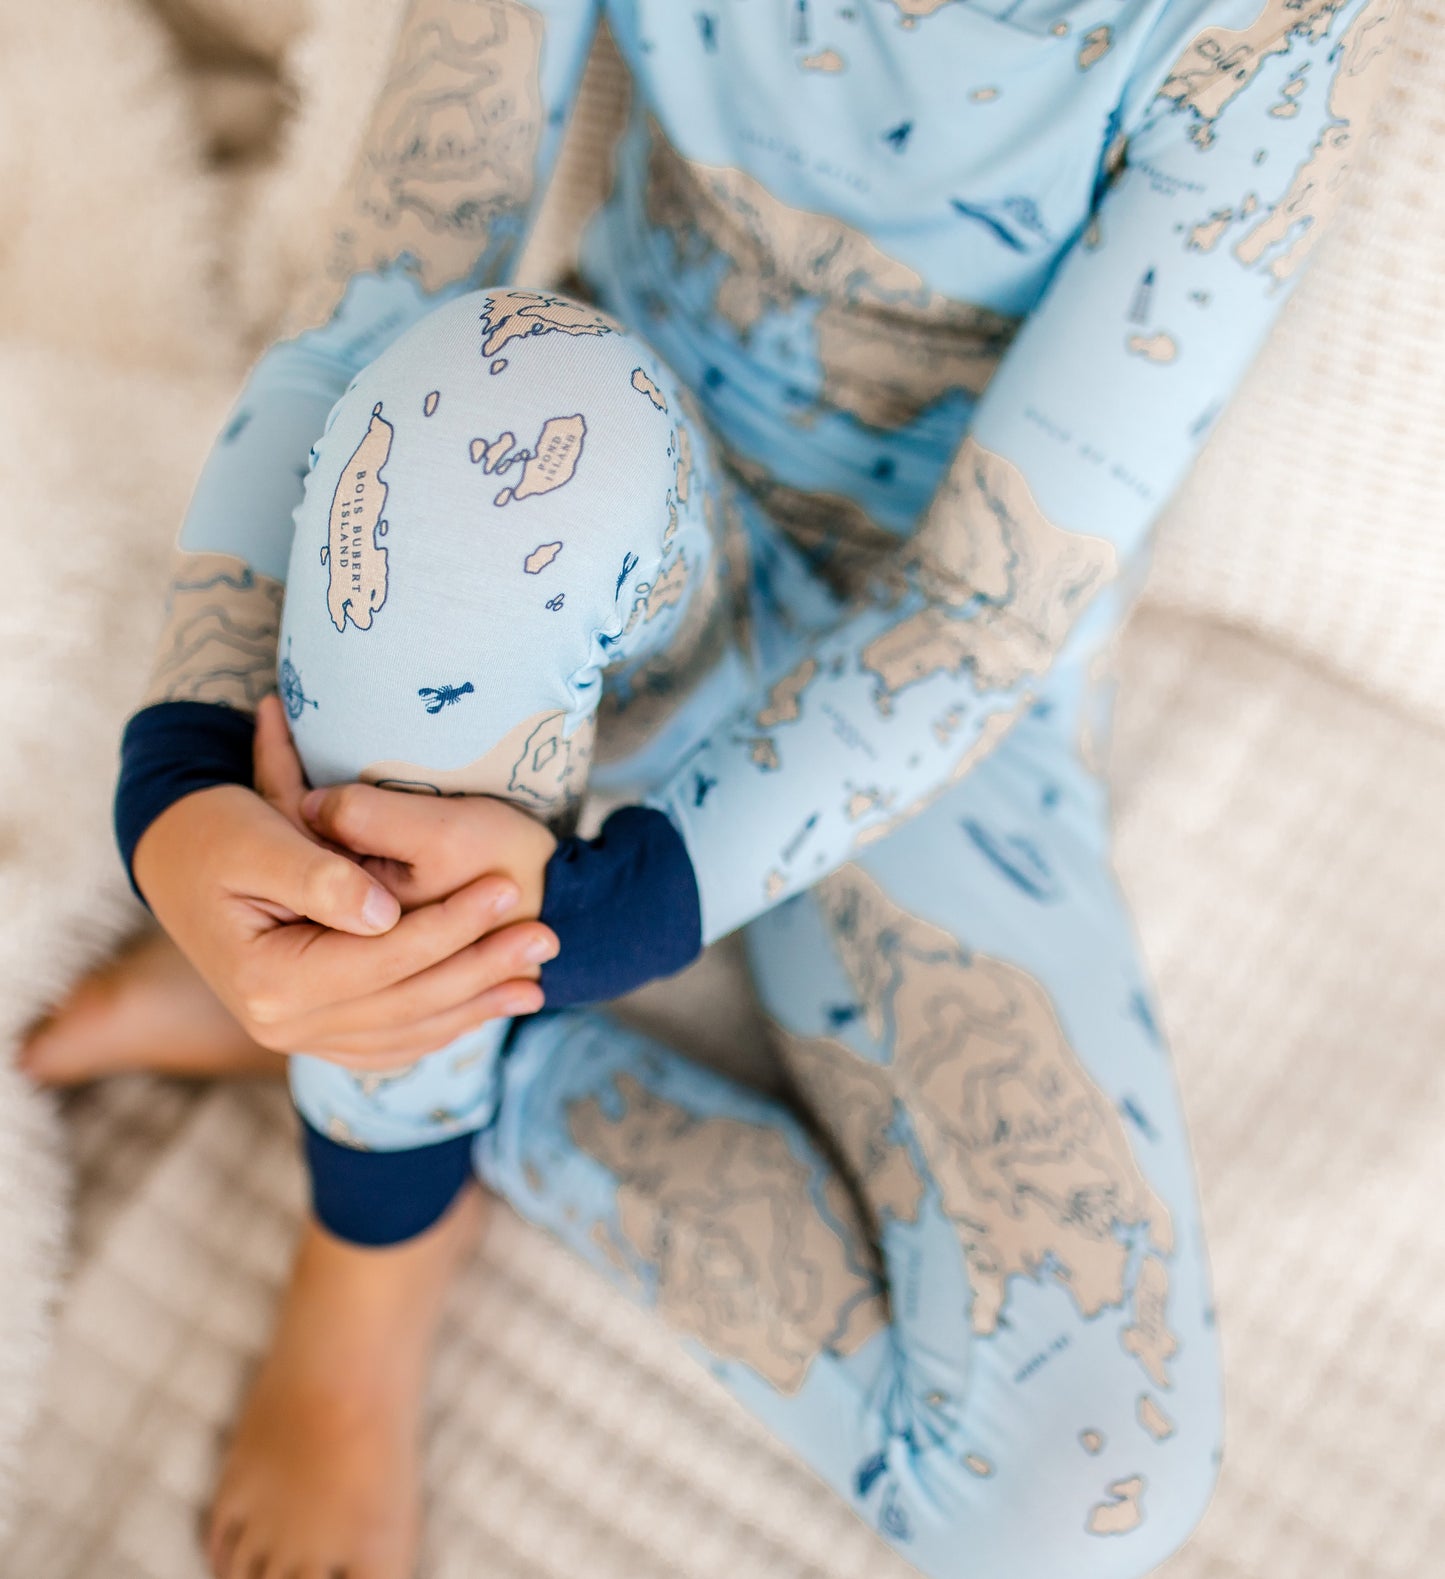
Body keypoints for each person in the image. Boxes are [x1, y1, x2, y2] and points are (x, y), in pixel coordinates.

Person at [22, 0, 1399, 1575]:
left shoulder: (1266, 37)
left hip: (937, 706)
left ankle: (423, 1037)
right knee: (477, 401)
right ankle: (375, 1233)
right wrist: (183, 770)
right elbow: (392, 270)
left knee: (1074, 1486)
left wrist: (594, 926)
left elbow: (977, 618)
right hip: (601, 527)